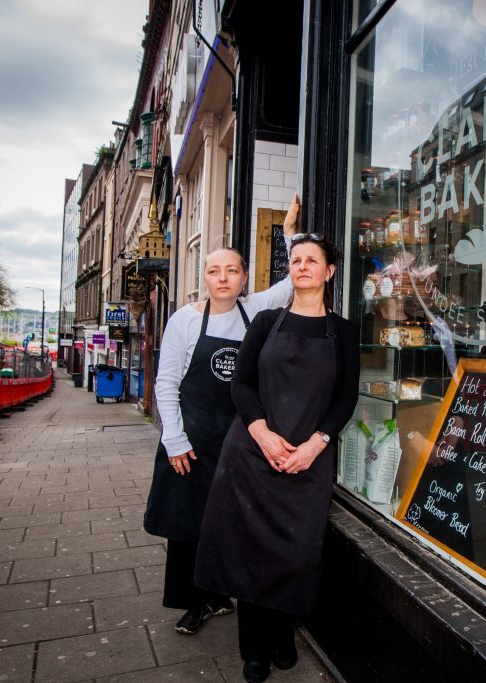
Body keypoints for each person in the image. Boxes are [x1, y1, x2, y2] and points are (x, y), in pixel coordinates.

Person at [195, 233, 360, 683]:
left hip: (308, 461)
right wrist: (262, 433)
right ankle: (254, 650)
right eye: (296, 259)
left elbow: (345, 400)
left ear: (329, 272)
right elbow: (241, 385)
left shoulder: (344, 332)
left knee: (294, 553)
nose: (302, 266)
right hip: (252, 455)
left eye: (313, 260)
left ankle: (283, 633)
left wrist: (316, 443)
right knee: (248, 552)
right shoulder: (265, 322)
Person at [144, 195, 300, 636]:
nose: (223, 278)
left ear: (244, 277)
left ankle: (224, 594)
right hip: (191, 442)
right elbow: (166, 385)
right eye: (214, 271)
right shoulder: (185, 321)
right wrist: (174, 440)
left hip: (238, 443)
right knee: (187, 527)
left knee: (231, 526)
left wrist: (288, 234)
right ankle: (196, 602)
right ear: (205, 277)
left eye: (232, 270)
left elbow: (292, 282)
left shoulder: (257, 310)